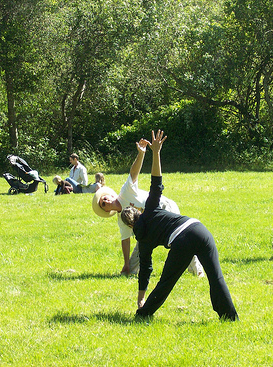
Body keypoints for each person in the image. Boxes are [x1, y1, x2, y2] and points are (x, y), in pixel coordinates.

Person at [120, 130, 238, 321]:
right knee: (216, 277)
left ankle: (143, 314)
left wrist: (140, 298)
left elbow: (146, 269)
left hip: (182, 239)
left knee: (166, 282)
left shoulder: (142, 238)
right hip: (199, 227)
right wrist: (156, 152)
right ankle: (230, 317)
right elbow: (156, 183)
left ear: (131, 226)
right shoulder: (149, 209)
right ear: (138, 211)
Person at [92, 139, 204, 277]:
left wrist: (141, 153)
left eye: (105, 197)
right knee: (134, 261)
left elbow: (134, 173)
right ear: (106, 210)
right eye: (103, 203)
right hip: (149, 226)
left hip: (165, 208)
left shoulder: (125, 192)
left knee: (179, 238)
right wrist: (126, 263)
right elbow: (125, 241)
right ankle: (131, 269)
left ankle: (196, 268)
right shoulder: (122, 219)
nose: (106, 200)